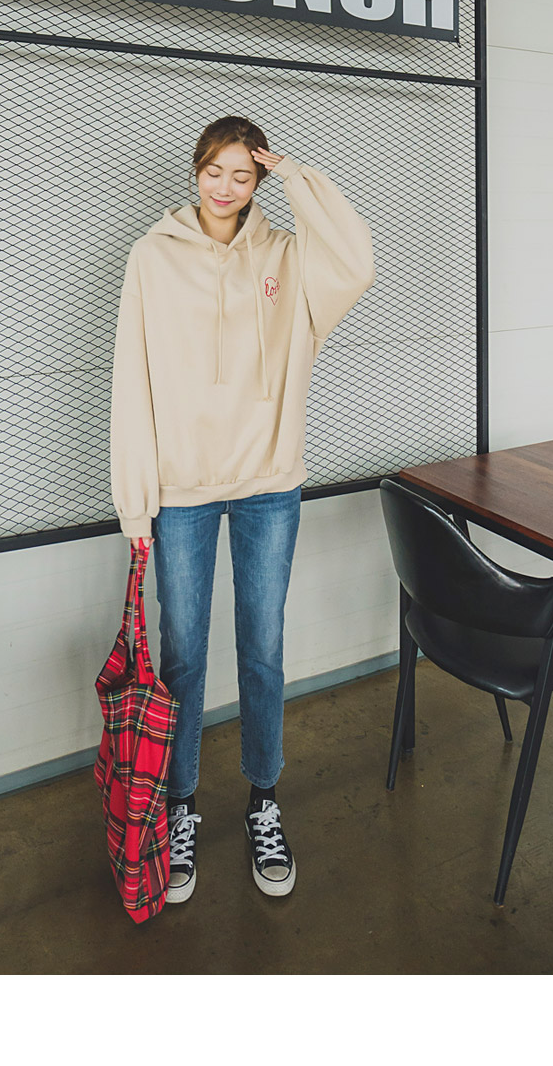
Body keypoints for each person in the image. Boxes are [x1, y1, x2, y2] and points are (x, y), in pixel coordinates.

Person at [109, 114, 375, 903]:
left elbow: (358, 260)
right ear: (195, 171)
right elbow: (131, 380)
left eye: (243, 174)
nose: (225, 187)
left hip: (269, 483)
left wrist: (298, 174)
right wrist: (136, 503)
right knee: (184, 655)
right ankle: (181, 807)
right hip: (182, 491)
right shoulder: (152, 258)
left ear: (259, 181)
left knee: (263, 646)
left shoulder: (288, 258)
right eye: (213, 170)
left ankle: (264, 798)